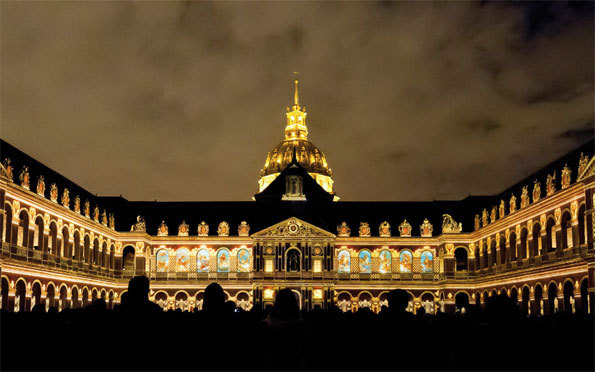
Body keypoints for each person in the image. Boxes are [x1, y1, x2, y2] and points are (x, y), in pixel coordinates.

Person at [259, 289, 310, 370]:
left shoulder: (265, 324)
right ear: (295, 302)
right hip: (295, 364)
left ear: (276, 302)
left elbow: (260, 350)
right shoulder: (302, 325)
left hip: (272, 364)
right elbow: (306, 350)